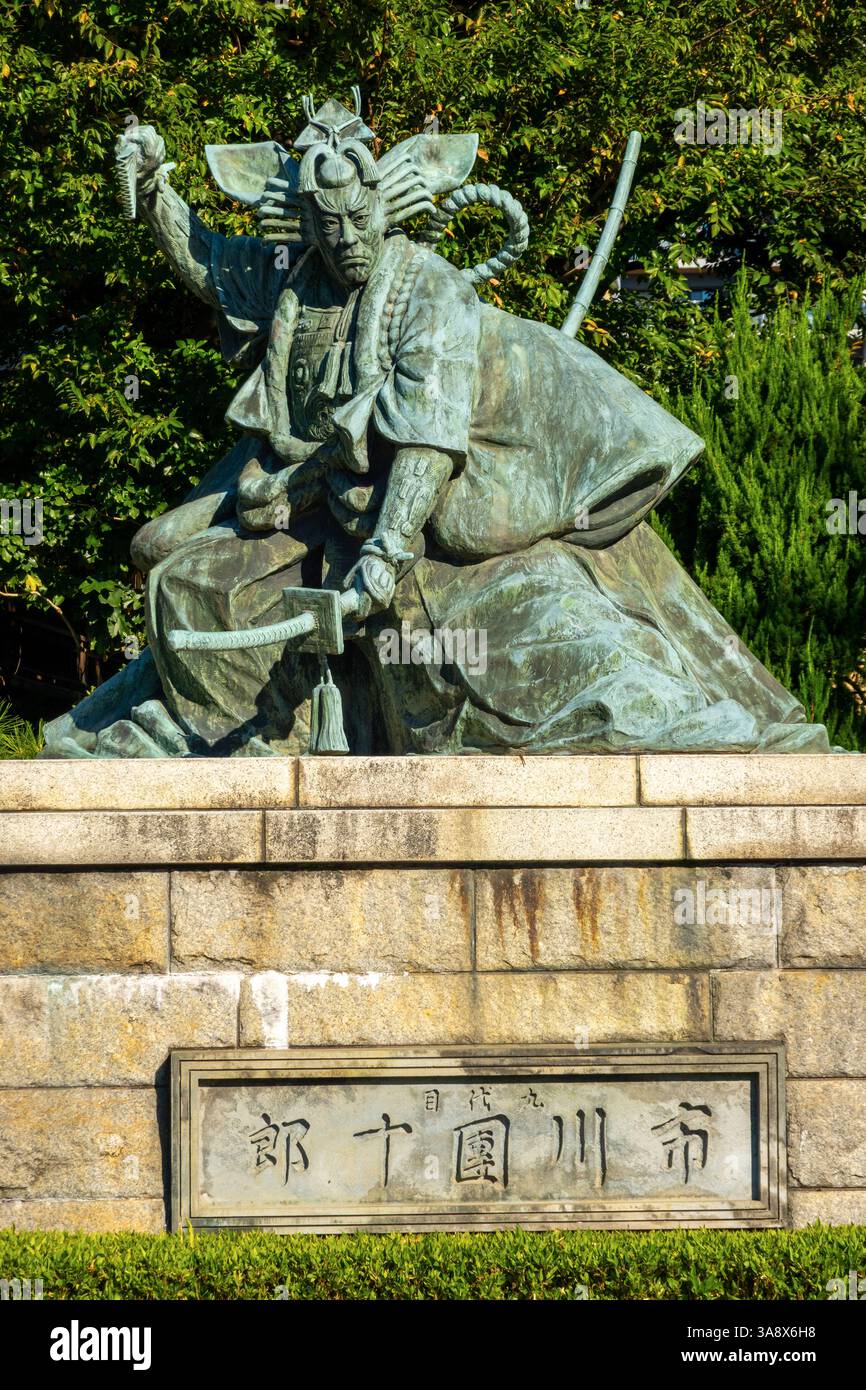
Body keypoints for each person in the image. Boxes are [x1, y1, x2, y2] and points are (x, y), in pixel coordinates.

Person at [42, 94, 837, 758]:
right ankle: (207, 727)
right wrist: (153, 195)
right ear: (308, 222)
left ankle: (300, 716)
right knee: (167, 564)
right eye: (329, 225)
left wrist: (384, 559)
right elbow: (211, 264)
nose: (347, 239)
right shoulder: (295, 278)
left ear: (383, 204)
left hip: (421, 515)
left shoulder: (429, 288)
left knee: (486, 638)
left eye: (358, 219)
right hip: (305, 498)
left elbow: (427, 437)